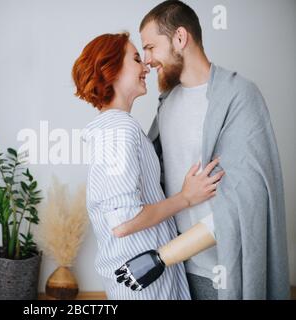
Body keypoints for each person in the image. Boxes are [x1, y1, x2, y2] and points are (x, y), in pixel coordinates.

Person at [115, 0, 290, 300]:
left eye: (151, 47)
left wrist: (160, 258)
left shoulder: (238, 97)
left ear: (180, 38)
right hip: (176, 274)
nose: (147, 60)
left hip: (222, 273)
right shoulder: (167, 102)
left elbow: (244, 203)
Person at [72, 32, 224, 299]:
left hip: (145, 280)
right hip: (143, 284)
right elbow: (124, 221)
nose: (146, 67)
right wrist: (186, 198)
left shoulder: (118, 127)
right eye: (135, 59)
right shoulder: (118, 129)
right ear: (112, 69)